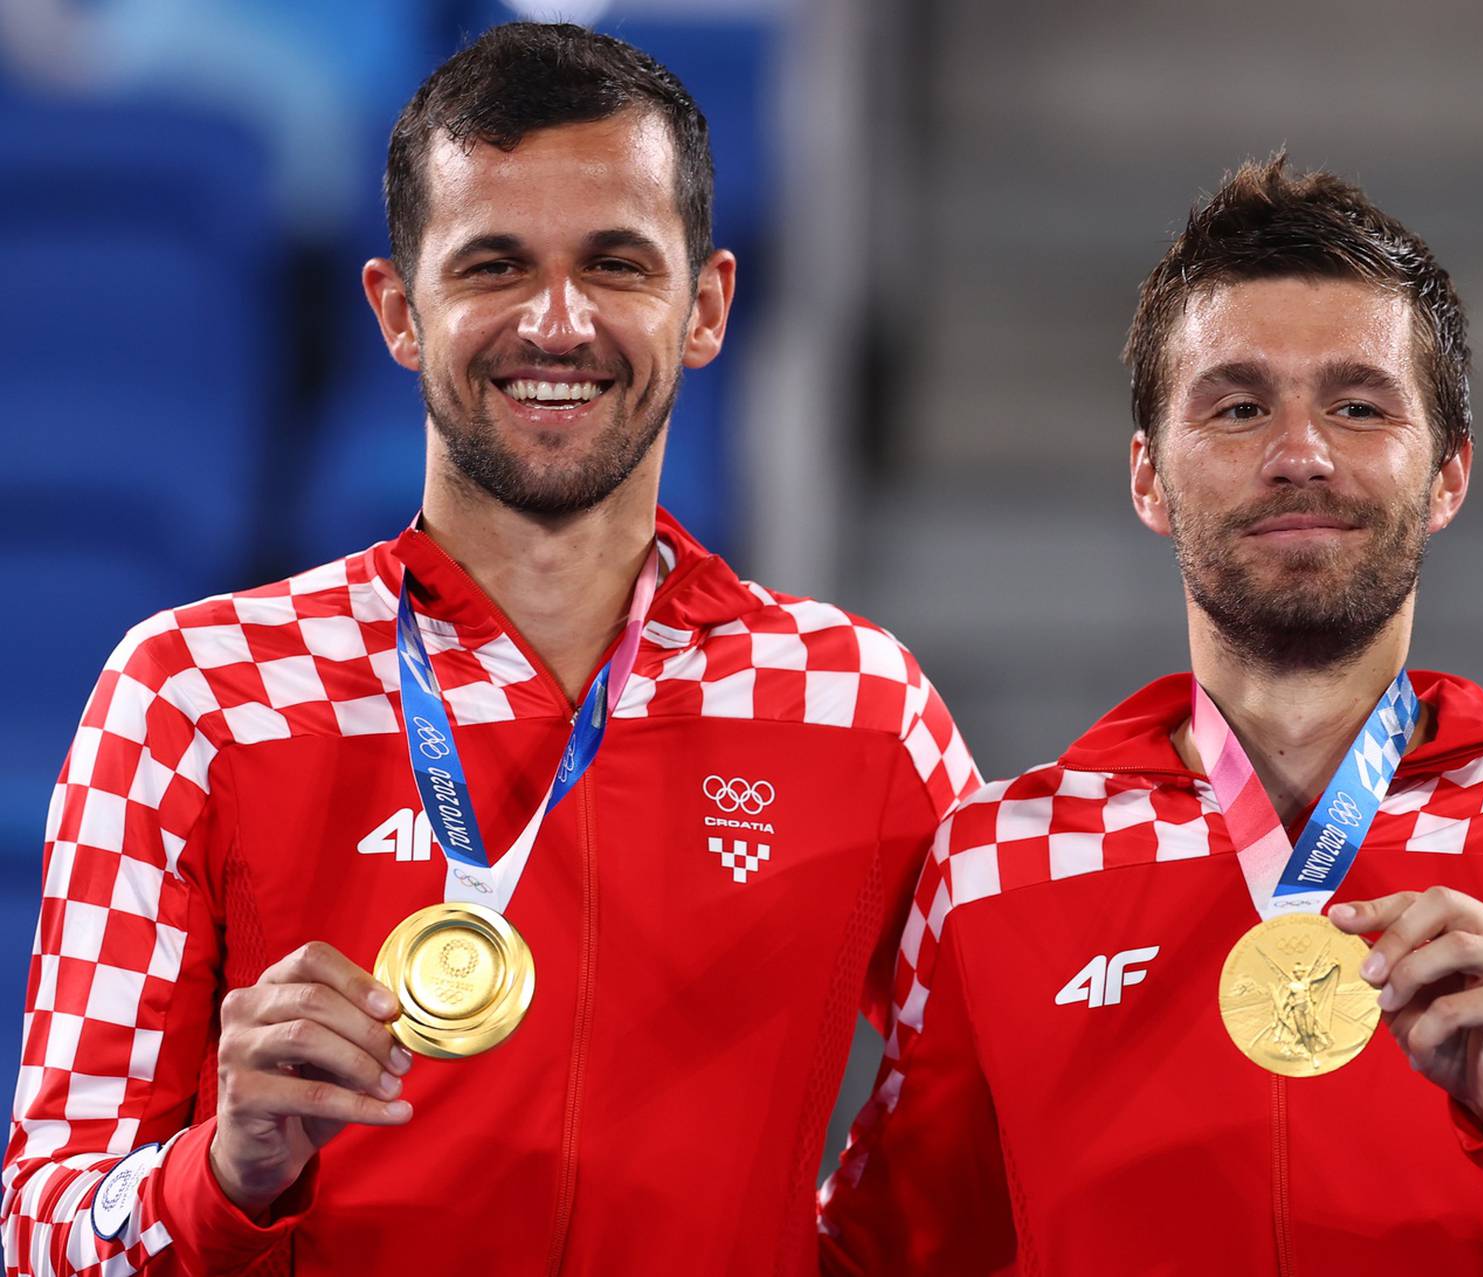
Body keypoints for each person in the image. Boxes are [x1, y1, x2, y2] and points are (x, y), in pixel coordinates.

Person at [2, 23, 976, 1276]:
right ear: (400, 312)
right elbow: (45, 1224)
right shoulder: (194, 694)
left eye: (617, 264)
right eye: (495, 265)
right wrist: (223, 1170)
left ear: (709, 307)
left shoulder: (854, 701)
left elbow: (1002, 1100)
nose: (557, 322)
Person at [817, 155, 1483, 1274]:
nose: (1299, 454)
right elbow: (883, 1259)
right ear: (1149, 477)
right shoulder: (997, 865)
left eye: (1359, 405)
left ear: (1448, 473)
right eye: (1239, 405)